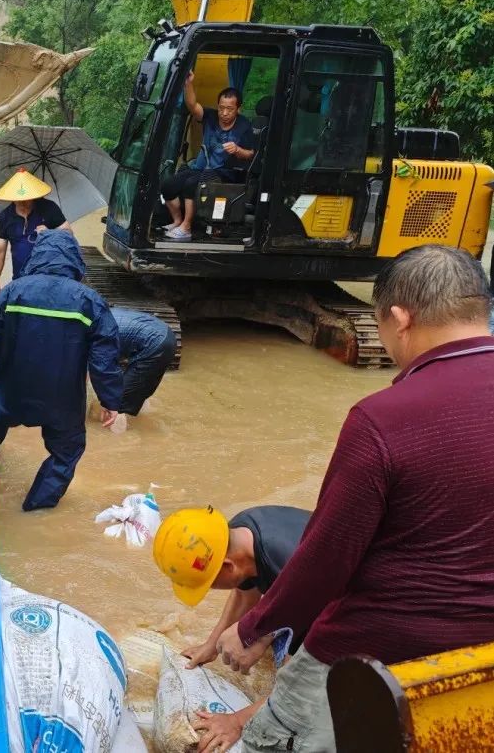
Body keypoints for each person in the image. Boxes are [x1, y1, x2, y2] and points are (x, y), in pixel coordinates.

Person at [211, 245, 494, 752]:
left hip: (371, 656)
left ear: (400, 319)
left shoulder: (382, 419)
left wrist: (253, 628)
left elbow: (327, 559)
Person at [0, 229, 123, 511]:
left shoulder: (13, 291)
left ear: (37, 255)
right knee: (67, 451)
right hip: (62, 399)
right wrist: (110, 400)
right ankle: (36, 509)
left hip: (14, 391)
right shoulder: (89, 300)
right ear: (74, 259)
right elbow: (104, 358)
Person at [152, 505, 311, 751]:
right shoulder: (240, 534)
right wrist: (211, 645)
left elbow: (302, 687)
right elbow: (245, 593)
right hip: (306, 592)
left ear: (228, 566)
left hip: (352, 615)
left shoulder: (301, 581)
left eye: (209, 584)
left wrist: (237, 722)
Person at [161, 73, 255, 242]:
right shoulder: (210, 116)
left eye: (230, 109)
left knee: (192, 184)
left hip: (225, 172)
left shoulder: (244, 126)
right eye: (221, 108)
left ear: (238, 109)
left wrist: (237, 150)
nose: (224, 113)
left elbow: (251, 154)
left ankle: (187, 228)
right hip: (201, 168)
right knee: (168, 185)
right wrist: (188, 83)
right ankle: (177, 221)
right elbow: (192, 105)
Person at [0, 168, 70, 302]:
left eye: (26, 199)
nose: (22, 202)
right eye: (18, 199)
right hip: (20, 279)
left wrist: (50, 233)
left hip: (50, 278)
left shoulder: (49, 208)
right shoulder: (5, 216)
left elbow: (69, 234)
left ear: (33, 195)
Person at [111, 307, 177, 431]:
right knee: (138, 388)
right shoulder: (102, 314)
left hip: (155, 344)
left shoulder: (91, 335)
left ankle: (116, 438)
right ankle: (139, 419)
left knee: (117, 402)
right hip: (167, 335)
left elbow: (92, 373)